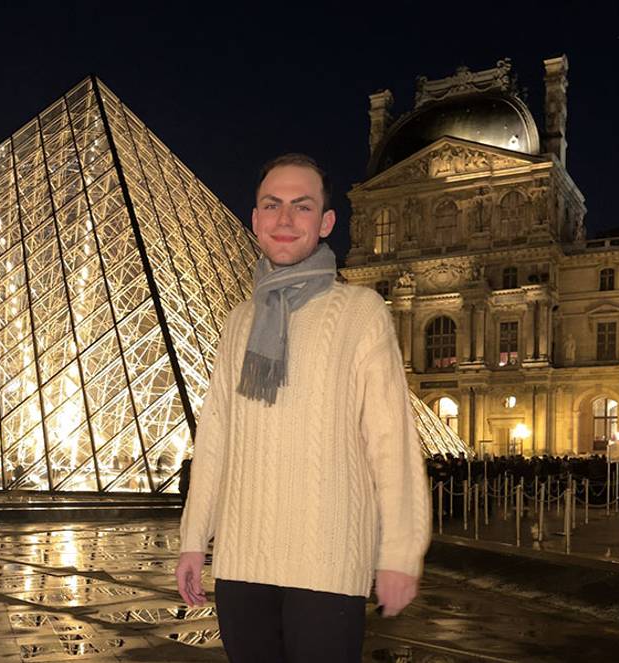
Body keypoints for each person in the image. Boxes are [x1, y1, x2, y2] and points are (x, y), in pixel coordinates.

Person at [175, 154, 430, 662]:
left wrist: (400, 552)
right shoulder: (238, 320)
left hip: (329, 559)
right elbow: (216, 437)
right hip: (243, 558)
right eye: (273, 205)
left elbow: (391, 441)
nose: (285, 219)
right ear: (255, 219)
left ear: (326, 222)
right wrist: (193, 539)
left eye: (301, 206)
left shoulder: (361, 311)